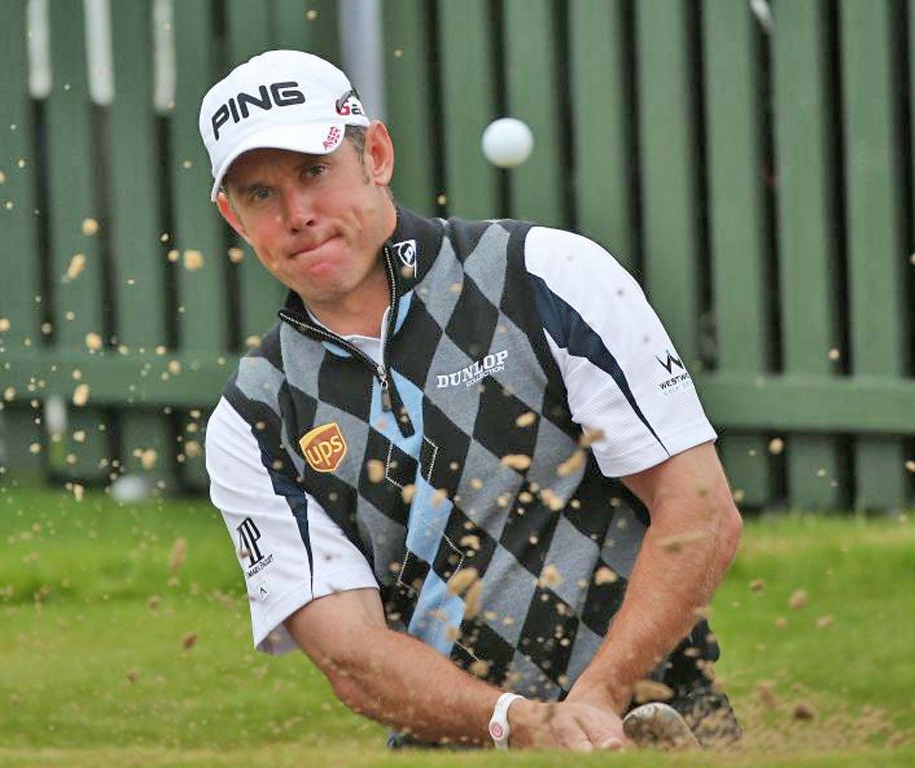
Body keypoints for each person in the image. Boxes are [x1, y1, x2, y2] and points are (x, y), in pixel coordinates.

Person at [200, 49, 743, 751]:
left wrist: (600, 696)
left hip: (659, 726)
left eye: (314, 170)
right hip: (461, 750)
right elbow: (351, 654)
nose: (298, 213)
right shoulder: (254, 417)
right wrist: (520, 723)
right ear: (232, 216)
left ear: (378, 155)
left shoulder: (544, 273)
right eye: (259, 193)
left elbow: (700, 508)